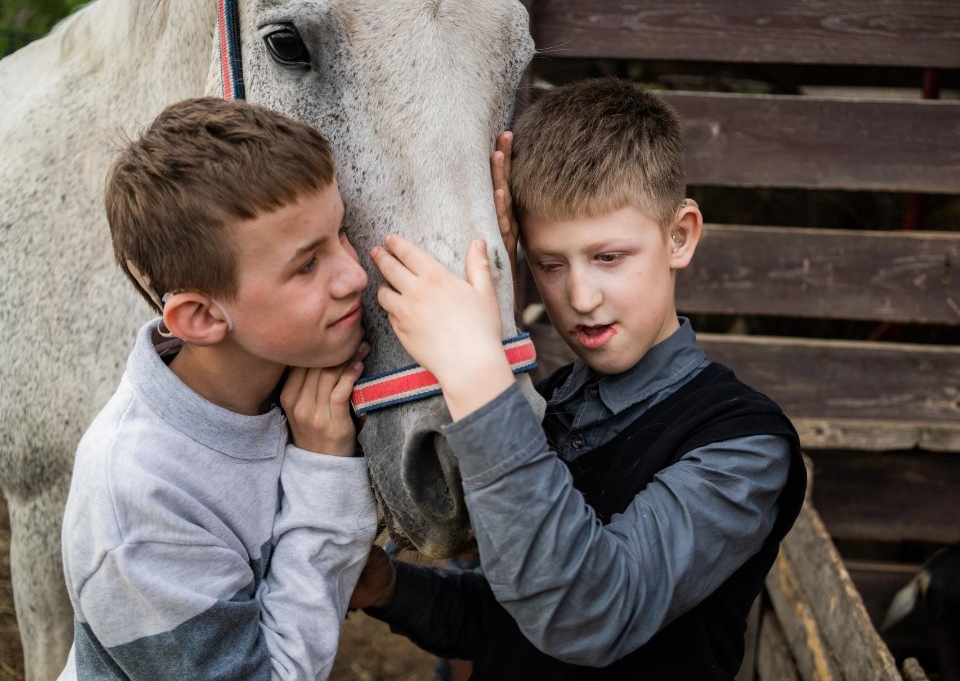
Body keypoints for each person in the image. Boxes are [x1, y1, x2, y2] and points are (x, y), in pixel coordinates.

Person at [351, 77, 807, 679]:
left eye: (609, 257)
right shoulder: (551, 401)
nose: (581, 297)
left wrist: (477, 375)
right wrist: (387, 587)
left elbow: (588, 612)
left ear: (680, 236)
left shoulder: (743, 446)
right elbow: (502, 623)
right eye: (550, 264)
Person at [57, 97, 378, 680]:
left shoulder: (286, 353)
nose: (355, 274)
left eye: (343, 233)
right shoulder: (138, 503)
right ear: (202, 319)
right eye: (307, 265)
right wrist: (323, 468)